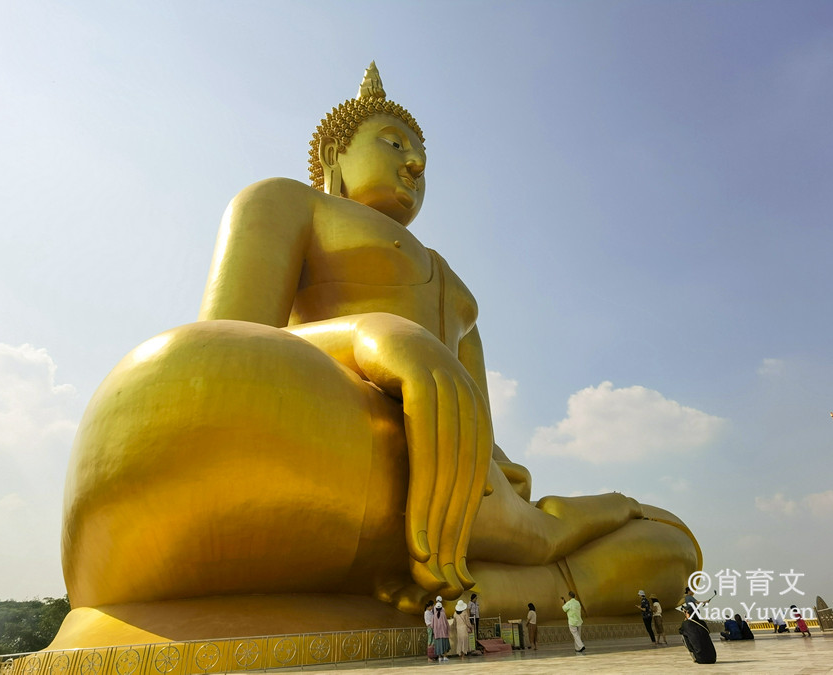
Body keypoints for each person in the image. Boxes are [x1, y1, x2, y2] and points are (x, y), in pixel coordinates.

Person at [55, 62, 703, 646]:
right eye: (394, 143)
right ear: (337, 150)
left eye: (420, 154)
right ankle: (504, 570)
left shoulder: (457, 290)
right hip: (319, 431)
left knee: (670, 544)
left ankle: (502, 571)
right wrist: (368, 335)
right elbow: (224, 349)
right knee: (167, 383)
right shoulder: (285, 202)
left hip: (445, 484)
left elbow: (480, 441)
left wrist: (506, 492)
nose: (414, 164)